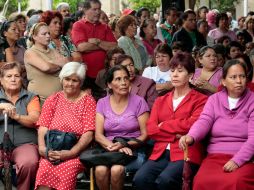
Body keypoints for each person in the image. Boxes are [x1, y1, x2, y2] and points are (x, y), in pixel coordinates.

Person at [133, 52, 208, 190]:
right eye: (172, 70)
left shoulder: (201, 99)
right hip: (160, 152)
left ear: (190, 75)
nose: (174, 75)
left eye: (180, 71)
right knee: (140, 179)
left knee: (166, 180)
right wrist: (176, 135)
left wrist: (164, 125)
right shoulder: (160, 100)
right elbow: (151, 129)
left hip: (186, 152)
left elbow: (193, 124)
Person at [179, 59, 254, 190]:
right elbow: (204, 121)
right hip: (215, 156)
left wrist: (237, 161)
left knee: (236, 182)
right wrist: (191, 136)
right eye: (233, 77)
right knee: (200, 181)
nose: (238, 81)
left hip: (244, 158)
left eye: (242, 76)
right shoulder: (214, 99)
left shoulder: (252, 100)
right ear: (223, 81)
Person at [35, 62, 96, 190]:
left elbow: (89, 133)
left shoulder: (88, 101)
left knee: (67, 170)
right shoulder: (53, 99)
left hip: (76, 152)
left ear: (81, 83)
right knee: (45, 168)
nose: (70, 83)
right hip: (51, 149)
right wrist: (42, 148)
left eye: (75, 80)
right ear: (62, 79)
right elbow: (43, 126)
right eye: (67, 79)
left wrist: (71, 153)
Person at [95, 65, 150, 190]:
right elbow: (98, 135)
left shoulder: (139, 102)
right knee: (100, 171)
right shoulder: (102, 103)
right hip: (109, 148)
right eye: (118, 79)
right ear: (109, 84)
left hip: (133, 149)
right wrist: (115, 147)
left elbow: (146, 135)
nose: (124, 83)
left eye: (126, 78)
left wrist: (125, 145)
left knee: (116, 170)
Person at [0, 62, 41, 189]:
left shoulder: (30, 97)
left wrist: (17, 116)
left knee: (29, 162)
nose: (13, 79)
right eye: (9, 76)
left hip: (25, 144)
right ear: (1, 80)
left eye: (17, 76)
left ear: (21, 79)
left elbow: (35, 119)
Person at [71, 0, 117, 82]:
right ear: (85, 10)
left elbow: (114, 46)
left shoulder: (105, 27)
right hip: (86, 74)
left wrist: (98, 41)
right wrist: (104, 46)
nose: (98, 12)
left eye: (99, 9)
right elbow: (82, 47)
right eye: (94, 9)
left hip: (105, 73)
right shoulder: (78, 25)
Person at [24, 22, 68, 103]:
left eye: (48, 33)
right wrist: (59, 64)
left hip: (58, 99)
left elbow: (66, 64)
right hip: (39, 100)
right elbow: (46, 68)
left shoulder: (53, 50)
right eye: (44, 34)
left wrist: (51, 62)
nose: (48, 36)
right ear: (34, 37)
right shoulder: (30, 52)